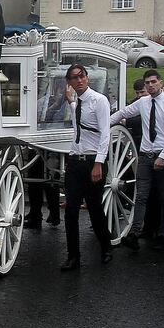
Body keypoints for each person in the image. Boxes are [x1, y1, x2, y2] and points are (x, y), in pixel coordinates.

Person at [113, 69, 164, 252]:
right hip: (145, 155)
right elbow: (123, 113)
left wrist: (163, 157)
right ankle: (135, 233)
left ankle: (163, 235)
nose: (150, 85)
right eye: (147, 82)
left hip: (162, 155)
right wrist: (105, 126)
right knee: (141, 196)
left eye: (153, 82)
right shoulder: (143, 102)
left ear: (161, 83)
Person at [60, 64, 113, 271]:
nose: (79, 80)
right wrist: (70, 100)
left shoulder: (99, 101)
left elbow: (105, 134)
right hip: (75, 161)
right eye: (74, 78)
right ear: (70, 83)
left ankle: (106, 247)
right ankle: (73, 256)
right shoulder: (76, 104)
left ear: (87, 78)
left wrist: (99, 162)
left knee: (95, 208)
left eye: (81, 76)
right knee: (71, 210)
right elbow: (76, 115)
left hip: (93, 161)